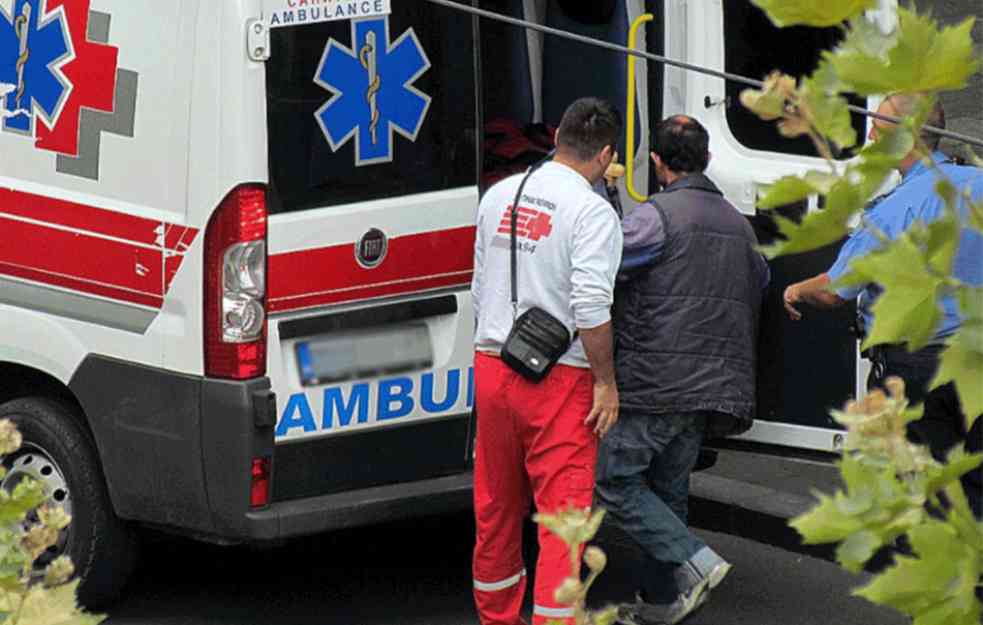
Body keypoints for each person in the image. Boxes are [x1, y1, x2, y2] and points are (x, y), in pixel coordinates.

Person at [595, 115, 770, 625]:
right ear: (708, 160)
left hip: (656, 384)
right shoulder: (740, 225)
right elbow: (757, 280)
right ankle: (662, 603)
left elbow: (607, 260)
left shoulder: (657, 216)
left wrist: (607, 200)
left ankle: (697, 559)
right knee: (668, 493)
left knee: (611, 481)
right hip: (716, 387)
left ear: (657, 163)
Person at [783, 94, 983, 517]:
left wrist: (796, 289)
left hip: (921, 371)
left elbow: (836, 290)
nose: (870, 134)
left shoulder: (895, 210)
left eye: (878, 126)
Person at [470, 97, 624, 625]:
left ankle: (496, 618)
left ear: (556, 134)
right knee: (562, 522)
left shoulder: (498, 195)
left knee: (494, 509)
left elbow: (478, 285)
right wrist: (606, 383)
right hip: (561, 378)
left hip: (493, 366)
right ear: (606, 156)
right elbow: (590, 306)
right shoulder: (592, 212)